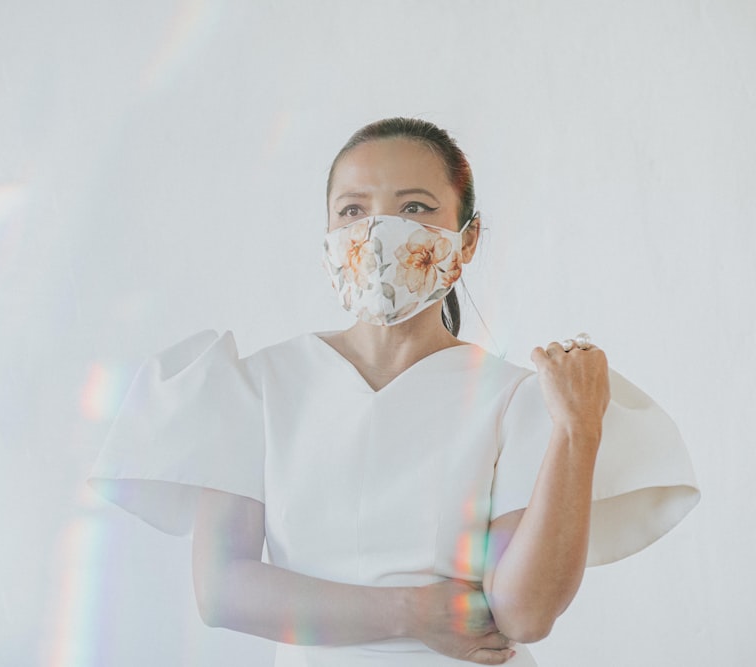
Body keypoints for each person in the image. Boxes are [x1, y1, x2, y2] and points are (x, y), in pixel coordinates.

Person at [89, 118, 699, 666]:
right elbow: (222, 591)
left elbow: (523, 614)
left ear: (466, 241)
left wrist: (579, 431)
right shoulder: (254, 387)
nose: (380, 234)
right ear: (327, 233)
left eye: (413, 208)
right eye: (353, 211)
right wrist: (413, 613)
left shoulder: (516, 400)